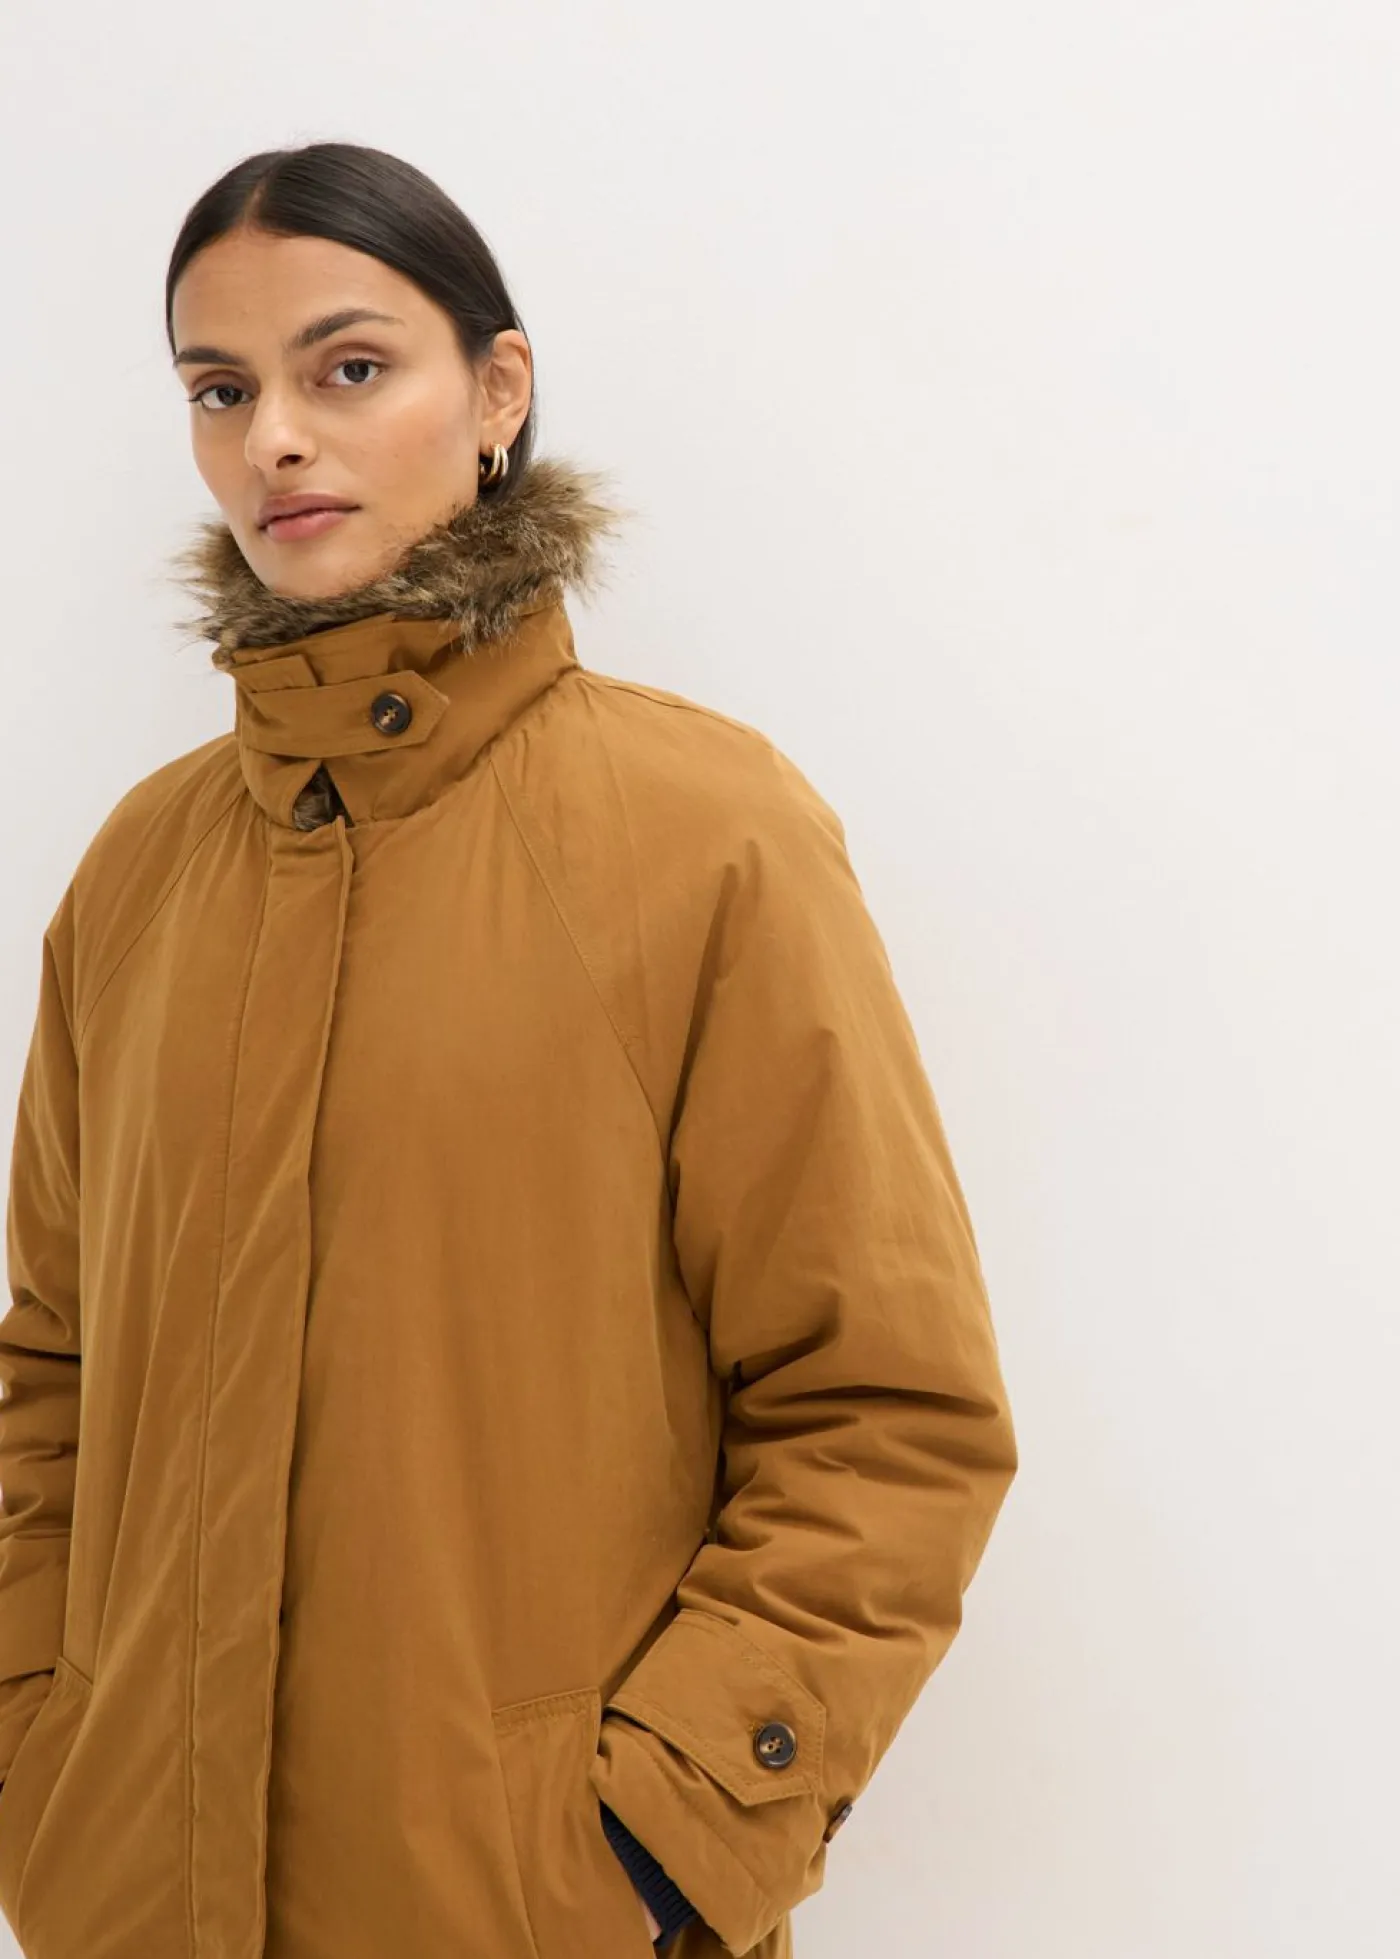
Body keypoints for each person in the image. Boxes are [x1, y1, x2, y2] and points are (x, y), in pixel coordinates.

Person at [0, 142, 1018, 1959]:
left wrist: (664, 1841)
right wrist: (40, 1762)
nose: (274, 439)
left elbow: (884, 1410)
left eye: (348, 367)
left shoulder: (703, 836)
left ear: (498, 393)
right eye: (220, 390)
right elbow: (50, 1379)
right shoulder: (139, 876)